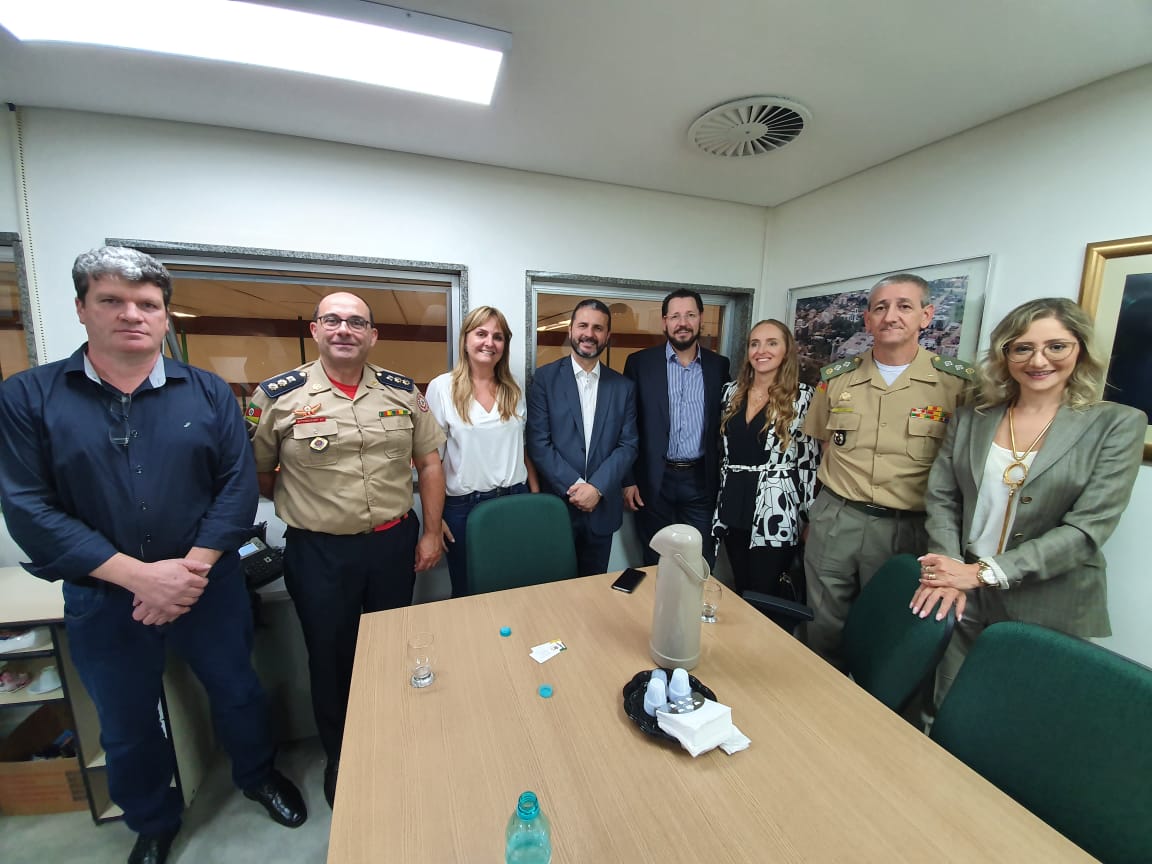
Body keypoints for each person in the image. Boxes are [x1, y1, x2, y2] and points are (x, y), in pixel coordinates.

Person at [0, 247, 305, 864]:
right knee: (125, 719)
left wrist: (188, 573)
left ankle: (257, 776)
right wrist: (140, 577)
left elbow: (236, 489)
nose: (131, 315)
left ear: (165, 316)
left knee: (238, 691)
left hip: (207, 585)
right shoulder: (29, 396)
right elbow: (28, 507)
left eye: (147, 304)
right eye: (111, 300)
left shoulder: (209, 392)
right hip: (104, 594)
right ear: (82, 308)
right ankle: (152, 820)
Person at [246, 291, 446, 808]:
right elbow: (260, 475)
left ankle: (392, 738)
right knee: (330, 658)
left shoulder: (402, 392)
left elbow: (429, 464)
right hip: (319, 554)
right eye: (332, 320)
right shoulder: (277, 397)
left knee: (392, 649)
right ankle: (342, 757)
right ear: (315, 330)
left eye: (356, 323)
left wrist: (430, 532)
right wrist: (315, 504)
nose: (344, 330)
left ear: (372, 336)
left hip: (392, 546)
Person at [910, 298, 1145, 708]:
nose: (1038, 360)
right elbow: (943, 497)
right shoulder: (972, 417)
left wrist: (983, 573)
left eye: (1056, 346)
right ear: (1005, 354)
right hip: (962, 587)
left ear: (1080, 350)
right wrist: (949, 567)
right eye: (1023, 348)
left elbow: (1087, 530)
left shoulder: (1116, 424)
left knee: (1024, 717)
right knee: (946, 705)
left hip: (1050, 597)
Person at [803, 273, 972, 668]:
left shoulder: (956, 385)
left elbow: (963, 467)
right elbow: (826, 444)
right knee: (822, 624)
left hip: (908, 527)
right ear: (867, 319)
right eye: (880, 307)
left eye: (904, 306)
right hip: (837, 518)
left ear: (926, 316)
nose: (890, 316)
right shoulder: (837, 379)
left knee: (893, 633)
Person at [426, 306, 539, 597]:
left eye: (498, 337)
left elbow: (522, 448)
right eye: (481, 334)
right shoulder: (442, 388)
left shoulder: (513, 389)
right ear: (465, 339)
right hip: (464, 509)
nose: (489, 342)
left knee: (515, 586)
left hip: (515, 500)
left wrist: (535, 496)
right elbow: (432, 462)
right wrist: (434, 521)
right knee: (470, 592)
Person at [526, 298, 638, 576]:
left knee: (593, 590)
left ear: (607, 336)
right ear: (570, 330)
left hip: (602, 509)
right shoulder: (544, 379)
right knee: (554, 589)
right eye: (583, 326)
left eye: (598, 328)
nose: (589, 334)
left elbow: (628, 445)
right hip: (557, 507)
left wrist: (597, 488)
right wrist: (577, 486)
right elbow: (539, 443)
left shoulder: (623, 387)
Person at [712, 320, 819, 600]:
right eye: (755, 344)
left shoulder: (803, 398)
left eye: (772, 343)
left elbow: (809, 463)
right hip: (733, 503)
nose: (761, 351)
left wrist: (810, 519)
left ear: (786, 351)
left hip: (776, 507)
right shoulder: (730, 393)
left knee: (765, 590)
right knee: (741, 586)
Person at [623, 289, 730, 565]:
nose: (683, 323)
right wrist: (629, 480)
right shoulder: (640, 364)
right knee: (654, 560)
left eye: (690, 315)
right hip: (653, 481)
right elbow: (627, 425)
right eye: (675, 316)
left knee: (699, 561)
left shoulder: (718, 366)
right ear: (664, 322)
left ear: (701, 319)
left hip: (700, 481)